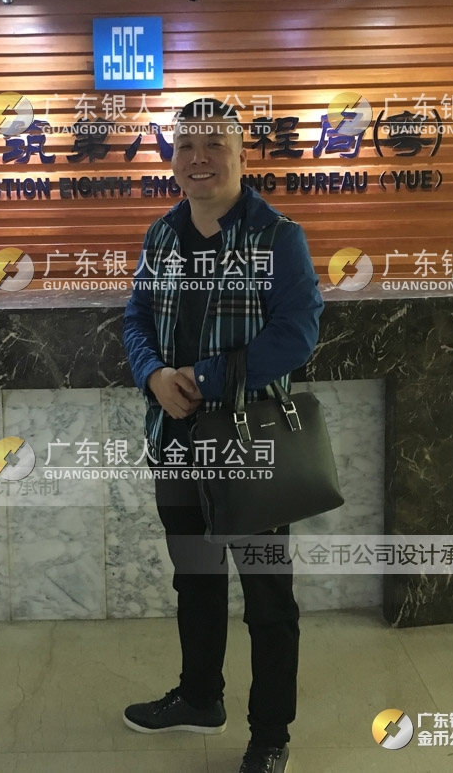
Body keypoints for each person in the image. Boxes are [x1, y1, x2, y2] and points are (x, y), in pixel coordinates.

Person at [122, 98, 324, 773]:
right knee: (196, 579)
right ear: (173, 157)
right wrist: (153, 374)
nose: (198, 158)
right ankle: (200, 696)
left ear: (241, 154)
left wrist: (203, 377)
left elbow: (297, 333)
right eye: (186, 145)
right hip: (176, 441)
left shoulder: (277, 236)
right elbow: (136, 317)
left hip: (249, 444)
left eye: (214, 143)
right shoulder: (162, 234)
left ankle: (270, 735)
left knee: (268, 598)